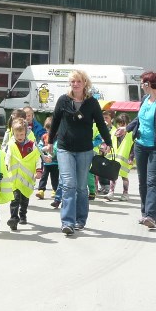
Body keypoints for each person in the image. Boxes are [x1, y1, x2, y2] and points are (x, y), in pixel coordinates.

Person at [44, 69, 112, 237]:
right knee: (68, 184)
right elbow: (55, 122)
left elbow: (102, 125)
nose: (75, 84)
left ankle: (80, 219)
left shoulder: (92, 103)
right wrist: (50, 141)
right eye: (73, 81)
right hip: (65, 148)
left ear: (85, 84)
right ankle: (67, 222)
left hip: (84, 150)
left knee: (81, 187)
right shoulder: (63, 101)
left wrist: (108, 142)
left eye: (78, 81)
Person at [120, 71, 156, 229]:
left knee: (152, 182)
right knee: (143, 182)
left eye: (143, 83)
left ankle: (151, 216)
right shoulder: (145, 99)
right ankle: (144, 213)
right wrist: (126, 129)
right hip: (140, 146)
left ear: (148, 85)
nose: (141, 86)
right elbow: (139, 119)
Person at [5, 119, 40, 230]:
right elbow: (8, 157)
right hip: (14, 178)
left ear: (25, 133)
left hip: (27, 178)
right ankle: (13, 219)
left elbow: (37, 158)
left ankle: (23, 214)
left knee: (24, 198)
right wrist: (5, 168)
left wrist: (38, 170)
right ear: (13, 133)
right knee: (15, 199)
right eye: (17, 134)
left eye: (22, 134)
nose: (19, 136)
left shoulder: (31, 145)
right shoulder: (11, 145)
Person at [107, 113, 134, 202]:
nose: (120, 126)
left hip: (125, 160)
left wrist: (131, 157)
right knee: (112, 176)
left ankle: (125, 193)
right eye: (119, 123)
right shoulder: (114, 132)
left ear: (127, 124)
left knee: (124, 177)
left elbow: (133, 147)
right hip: (114, 159)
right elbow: (110, 143)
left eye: (123, 124)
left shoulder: (130, 134)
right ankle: (111, 192)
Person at [35, 117, 62, 207]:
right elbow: (39, 146)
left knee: (55, 177)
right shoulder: (44, 137)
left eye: (52, 129)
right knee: (44, 176)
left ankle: (55, 190)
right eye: (48, 129)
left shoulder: (58, 138)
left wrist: (51, 155)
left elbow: (56, 147)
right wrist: (43, 149)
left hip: (55, 162)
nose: (50, 131)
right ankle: (41, 190)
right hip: (46, 162)